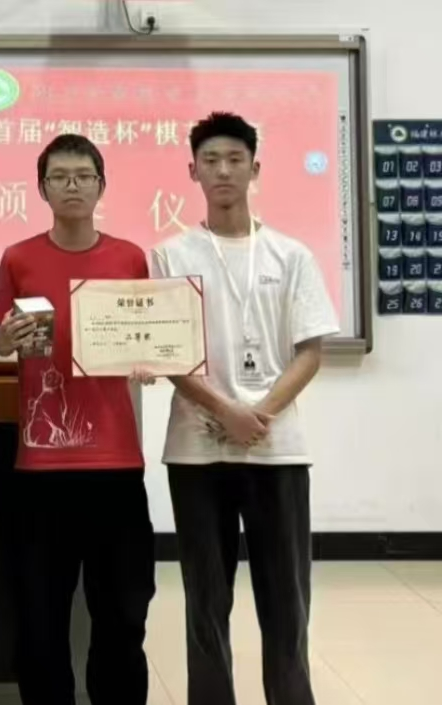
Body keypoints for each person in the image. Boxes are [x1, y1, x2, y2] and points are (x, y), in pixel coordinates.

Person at [151, 112, 340, 705]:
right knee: (206, 601)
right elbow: (165, 352)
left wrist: (259, 415)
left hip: (276, 450)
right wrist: (223, 410)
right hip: (196, 450)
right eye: (210, 161)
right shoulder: (168, 255)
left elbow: (310, 351)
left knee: (287, 602)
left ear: (255, 169)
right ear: (192, 172)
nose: (223, 171)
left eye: (235, 159)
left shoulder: (291, 255)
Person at [0, 134, 156, 705]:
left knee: (124, 611)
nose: (72, 185)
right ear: (42, 189)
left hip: (116, 463)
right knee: (40, 618)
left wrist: (152, 358)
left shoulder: (131, 257)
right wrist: (2, 339)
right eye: (59, 177)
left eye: (83, 176)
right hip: (40, 468)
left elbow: (152, 336)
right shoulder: (18, 257)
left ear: (101, 186)